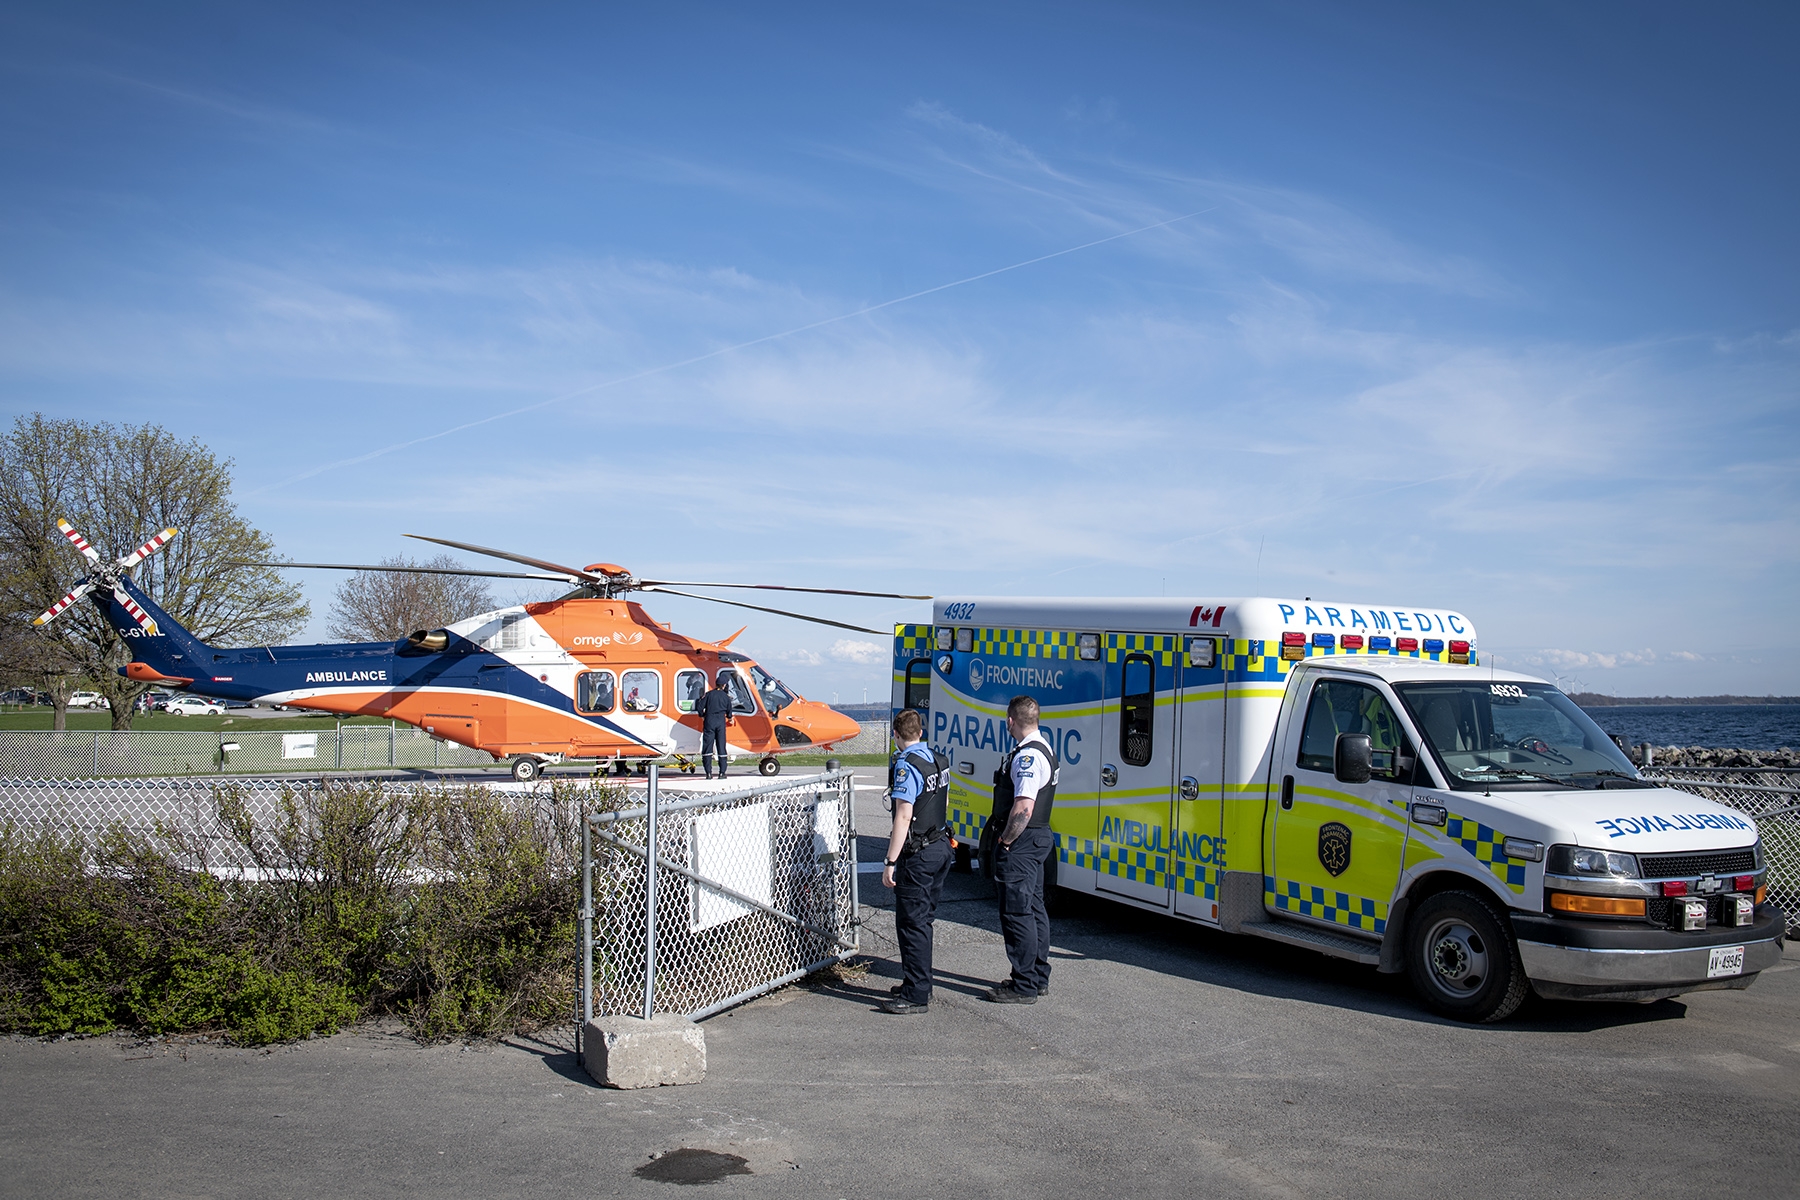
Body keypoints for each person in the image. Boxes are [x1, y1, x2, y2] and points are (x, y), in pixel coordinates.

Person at [985, 695, 1059, 1004]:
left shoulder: (1028, 757)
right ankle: (1037, 974)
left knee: (1017, 912)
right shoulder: (1045, 748)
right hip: (1039, 838)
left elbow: (1024, 807)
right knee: (1035, 908)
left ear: (1010, 721)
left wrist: (1006, 841)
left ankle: (1024, 984)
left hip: (1024, 842)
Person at [878, 708, 953, 1015]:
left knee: (912, 923)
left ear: (896, 735)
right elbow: (943, 800)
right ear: (920, 732)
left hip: (918, 853)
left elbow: (904, 815)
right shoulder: (938, 759)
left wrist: (890, 861)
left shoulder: (907, 766)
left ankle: (916, 993)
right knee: (924, 920)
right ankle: (917, 982)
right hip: (940, 846)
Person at [696, 672, 736, 779]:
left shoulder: (708, 695)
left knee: (708, 746)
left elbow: (699, 707)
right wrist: (730, 718)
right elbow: (729, 713)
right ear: (724, 685)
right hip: (720, 721)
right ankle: (722, 772)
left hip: (709, 720)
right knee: (721, 746)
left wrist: (702, 715)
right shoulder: (726, 697)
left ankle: (708, 773)